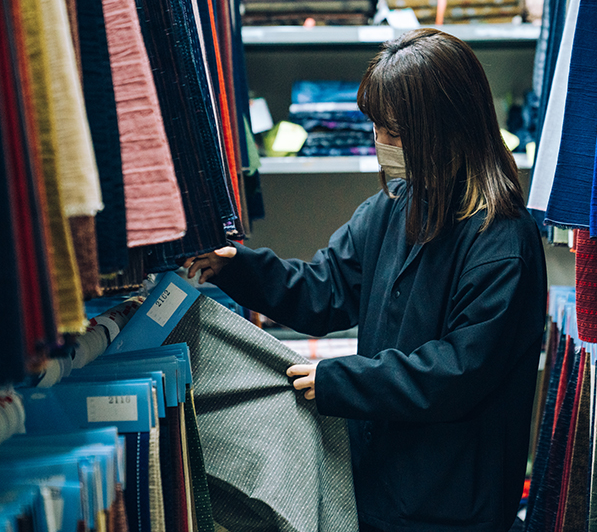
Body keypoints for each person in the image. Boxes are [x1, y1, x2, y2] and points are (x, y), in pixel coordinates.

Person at [185, 28, 548, 532]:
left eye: (394, 131)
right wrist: (237, 267)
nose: (381, 143)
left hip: (454, 505)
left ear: (443, 128)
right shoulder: (393, 208)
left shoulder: (501, 239)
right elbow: (324, 291)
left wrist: (340, 381)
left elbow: (459, 371)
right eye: (377, 127)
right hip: (379, 487)